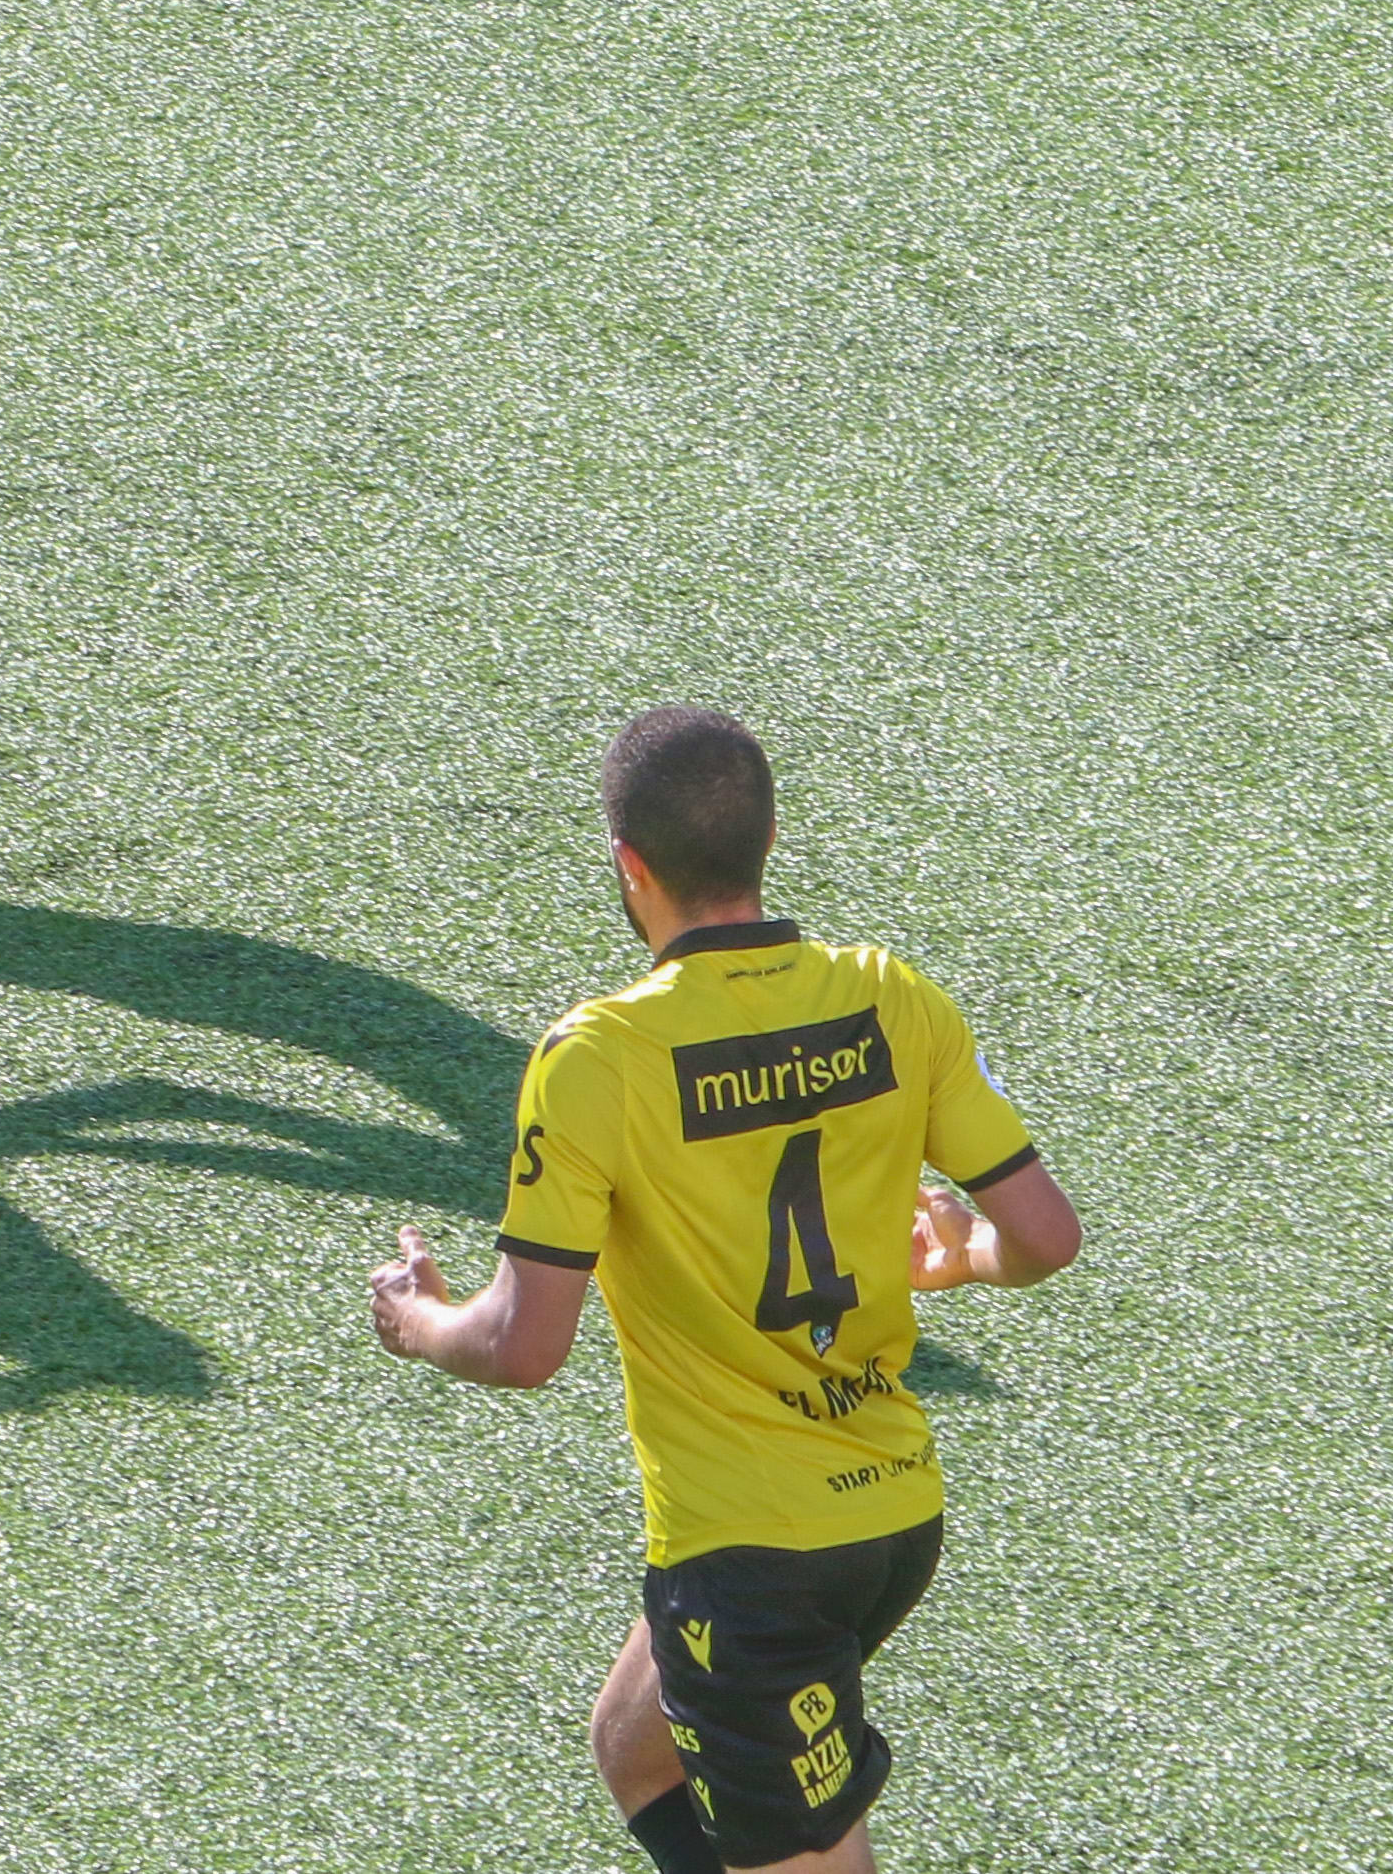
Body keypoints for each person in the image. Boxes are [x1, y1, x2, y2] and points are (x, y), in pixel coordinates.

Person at [368, 708, 1083, 1874]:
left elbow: (521, 1344)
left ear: (628, 865)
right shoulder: (890, 997)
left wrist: (418, 1320)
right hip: (892, 1518)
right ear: (767, 841)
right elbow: (1047, 1236)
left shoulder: (598, 1058)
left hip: (753, 1563)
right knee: (636, 1748)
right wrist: (966, 1255)